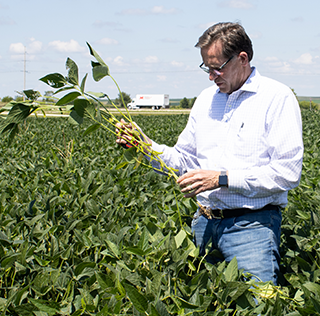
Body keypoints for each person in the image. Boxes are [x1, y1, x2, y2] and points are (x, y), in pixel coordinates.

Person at [117, 22, 303, 285]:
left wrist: (221, 178)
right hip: (204, 224)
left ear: (242, 58)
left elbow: (287, 173)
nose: (211, 75)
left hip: (252, 228)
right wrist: (143, 145)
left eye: (217, 67)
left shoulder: (276, 98)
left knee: (257, 307)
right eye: (207, 67)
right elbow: (184, 161)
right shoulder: (206, 100)